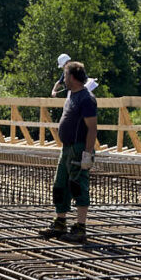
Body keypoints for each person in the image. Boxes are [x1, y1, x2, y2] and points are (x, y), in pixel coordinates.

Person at [39, 61, 97, 243]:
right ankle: (60, 222)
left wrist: (87, 153)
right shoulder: (72, 94)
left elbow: (92, 128)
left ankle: (80, 227)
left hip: (79, 148)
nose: (63, 79)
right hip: (67, 148)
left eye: (65, 76)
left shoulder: (87, 99)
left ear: (72, 77)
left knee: (78, 186)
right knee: (60, 185)